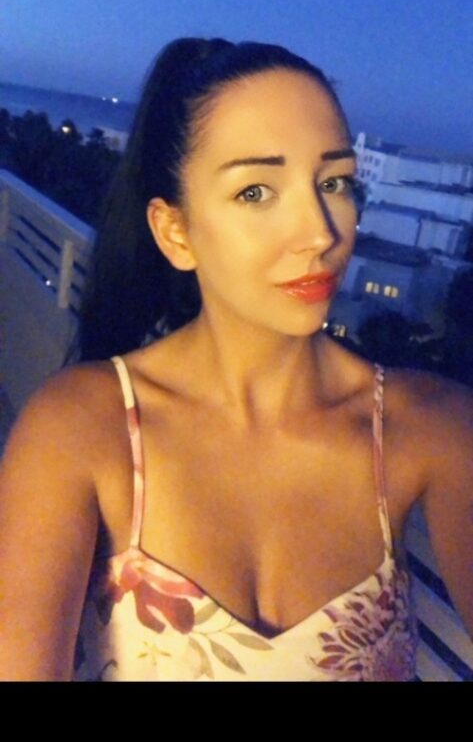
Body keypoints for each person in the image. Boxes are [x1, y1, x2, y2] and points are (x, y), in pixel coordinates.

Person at [0, 37, 472, 682]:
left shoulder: (429, 428)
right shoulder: (82, 428)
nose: (320, 233)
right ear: (176, 233)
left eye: (334, 182)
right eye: (256, 192)